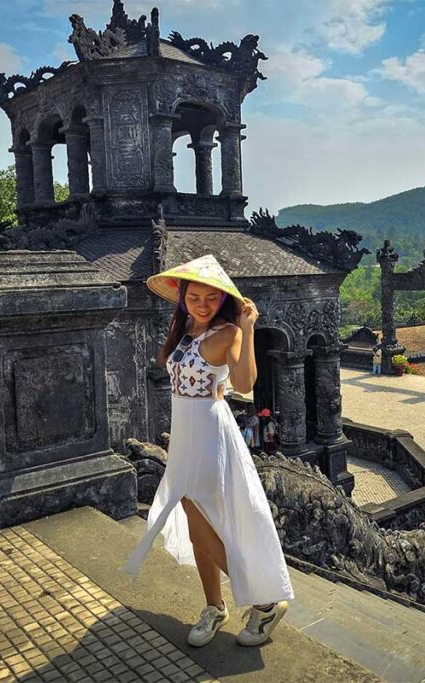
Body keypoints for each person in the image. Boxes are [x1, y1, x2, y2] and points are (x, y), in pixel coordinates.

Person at [124, 254, 294, 649]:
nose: (203, 304)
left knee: (196, 514)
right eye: (194, 296)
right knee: (198, 521)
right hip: (186, 432)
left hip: (211, 433)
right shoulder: (183, 328)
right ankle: (215, 606)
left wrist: (249, 329)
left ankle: (264, 600)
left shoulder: (230, 332)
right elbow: (176, 373)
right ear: (183, 297)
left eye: (211, 299)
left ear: (223, 301)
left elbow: (246, 383)